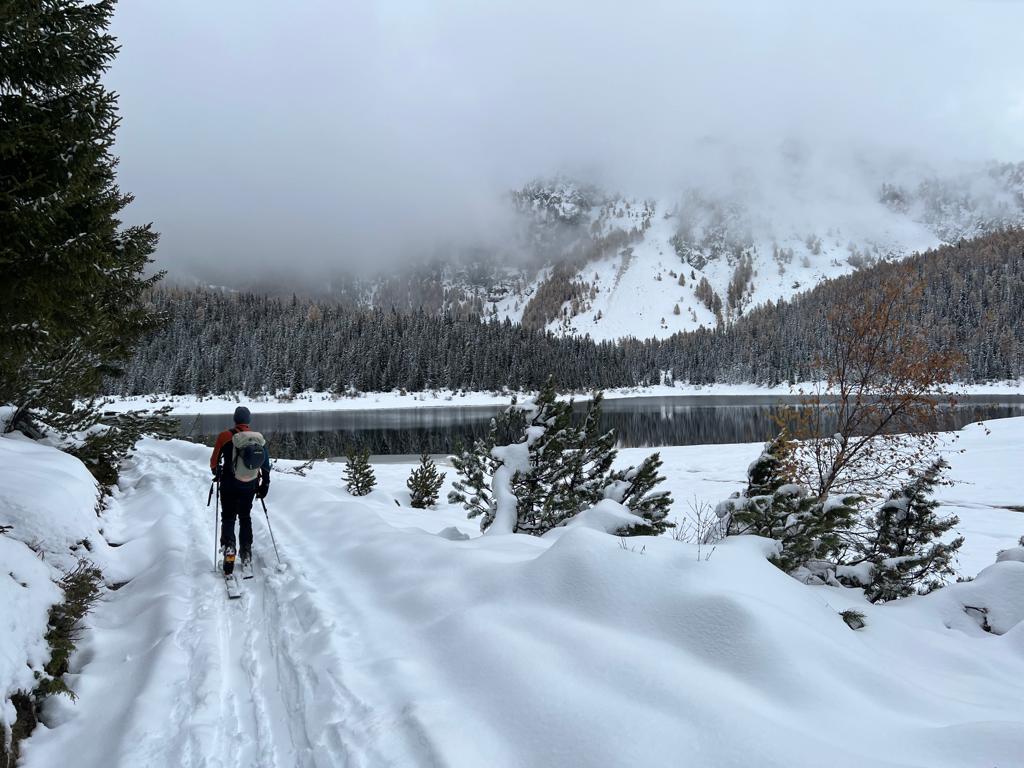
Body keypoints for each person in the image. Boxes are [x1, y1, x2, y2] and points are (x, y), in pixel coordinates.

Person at [210, 406, 270, 574]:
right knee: (245, 517)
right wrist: (265, 484)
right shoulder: (257, 438)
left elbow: (214, 461)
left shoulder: (224, 436)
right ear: (248, 421)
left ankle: (229, 550)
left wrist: (216, 472)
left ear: (235, 419)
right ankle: (246, 552)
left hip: (229, 484)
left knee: (228, 517)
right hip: (249, 484)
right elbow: (265, 464)